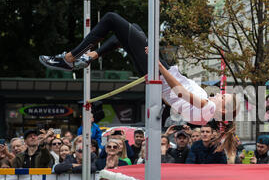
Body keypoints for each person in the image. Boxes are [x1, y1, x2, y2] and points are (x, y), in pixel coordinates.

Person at [39, 12, 238, 126]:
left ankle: (69, 58)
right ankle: (92, 56)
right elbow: (172, 98)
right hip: (159, 74)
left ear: (222, 110)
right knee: (128, 30)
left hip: (161, 71)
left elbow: (179, 91)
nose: (219, 95)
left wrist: (157, 64)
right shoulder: (202, 115)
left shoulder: (208, 108)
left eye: (223, 98)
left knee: (111, 19)